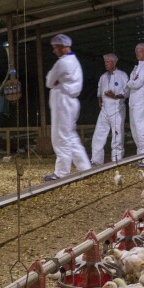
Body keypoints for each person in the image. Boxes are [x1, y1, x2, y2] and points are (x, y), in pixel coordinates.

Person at [43, 34, 91, 181]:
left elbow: (49, 81)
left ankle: (61, 173)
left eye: (55, 47)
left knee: (60, 137)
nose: (54, 51)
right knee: (70, 136)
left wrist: (55, 80)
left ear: (63, 47)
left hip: (63, 102)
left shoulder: (62, 63)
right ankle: (85, 168)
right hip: (71, 102)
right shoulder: (74, 61)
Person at [90, 53, 128, 165]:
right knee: (98, 134)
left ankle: (117, 158)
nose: (105, 64)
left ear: (114, 62)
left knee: (117, 134)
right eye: (105, 62)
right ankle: (96, 160)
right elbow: (99, 92)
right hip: (105, 109)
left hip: (117, 108)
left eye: (108, 62)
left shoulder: (122, 75)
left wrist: (115, 96)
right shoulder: (102, 77)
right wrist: (100, 102)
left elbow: (127, 92)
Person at [126, 42, 144, 167]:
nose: (138, 53)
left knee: (142, 129)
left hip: (142, 101)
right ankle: (141, 157)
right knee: (135, 130)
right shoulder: (137, 68)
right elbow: (133, 82)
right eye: (137, 51)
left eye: (141, 51)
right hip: (134, 101)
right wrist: (131, 82)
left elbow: (136, 83)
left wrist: (130, 82)